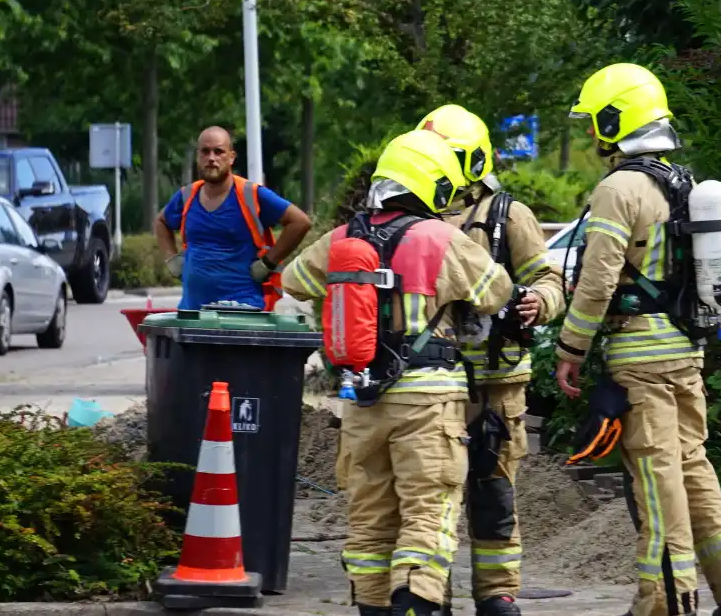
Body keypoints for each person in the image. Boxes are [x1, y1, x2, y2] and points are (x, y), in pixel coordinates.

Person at [555, 63, 721, 616]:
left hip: (639, 356)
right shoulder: (688, 184)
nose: (589, 132)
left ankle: (665, 602)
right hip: (686, 348)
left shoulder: (618, 188)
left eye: (593, 121)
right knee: (692, 464)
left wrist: (571, 348)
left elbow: (599, 278)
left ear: (614, 118)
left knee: (657, 482)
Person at [281, 129, 514, 616]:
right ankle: (417, 601)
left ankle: (371, 606)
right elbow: (498, 291)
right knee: (429, 511)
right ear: (433, 186)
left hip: (364, 400)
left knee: (369, 520)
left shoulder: (344, 238)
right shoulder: (441, 239)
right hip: (428, 403)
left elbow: (293, 281)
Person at [417, 104, 564, 616]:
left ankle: (497, 593)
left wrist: (540, 301)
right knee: (435, 493)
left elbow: (549, 278)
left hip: (499, 383)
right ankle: (433, 594)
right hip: (433, 382)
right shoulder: (417, 214)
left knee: (494, 491)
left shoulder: (507, 215)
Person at [154, 126, 312, 311]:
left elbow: (300, 222)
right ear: (198, 157)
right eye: (205, 151)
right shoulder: (186, 196)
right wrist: (171, 259)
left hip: (242, 310)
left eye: (218, 151)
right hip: (192, 309)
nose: (211, 158)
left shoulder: (251, 194)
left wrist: (268, 262)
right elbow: (161, 222)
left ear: (231, 157)